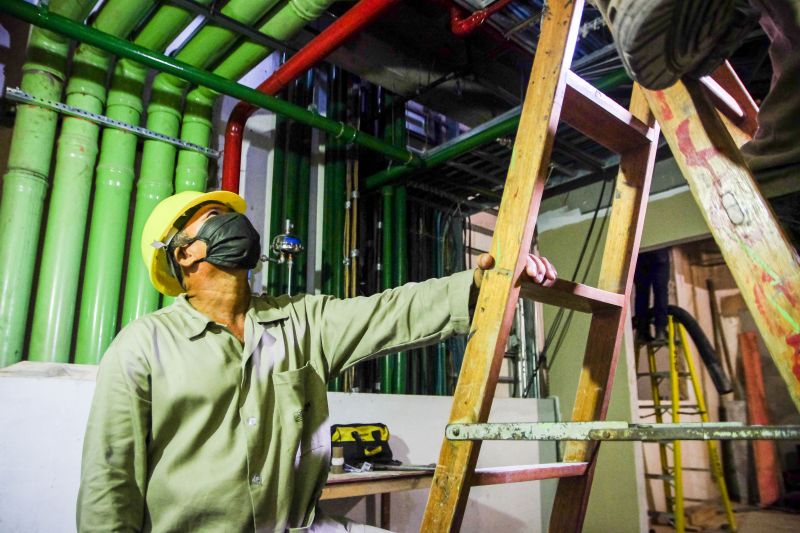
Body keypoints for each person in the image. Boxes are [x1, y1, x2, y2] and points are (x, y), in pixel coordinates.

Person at [76, 190, 557, 532]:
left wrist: (479, 285)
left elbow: (387, 312)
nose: (234, 221)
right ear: (184, 253)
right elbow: (109, 484)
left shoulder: (301, 319)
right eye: (215, 216)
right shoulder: (142, 347)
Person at [633, 248, 670, 345]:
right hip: (658, 253)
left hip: (639, 255)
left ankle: (642, 332)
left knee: (641, 293)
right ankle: (660, 330)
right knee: (660, 291)